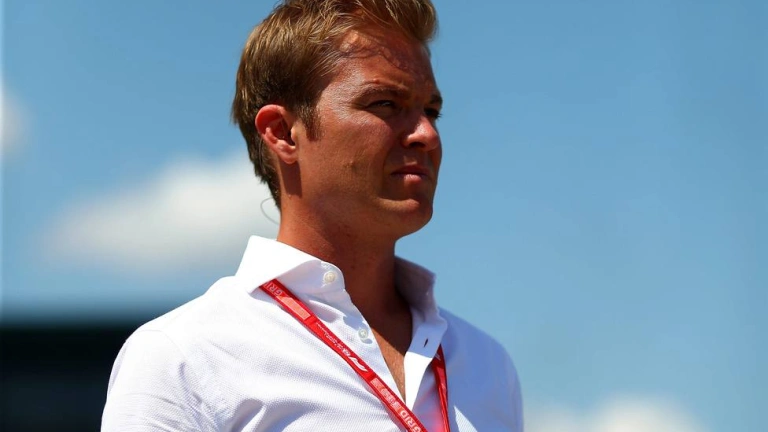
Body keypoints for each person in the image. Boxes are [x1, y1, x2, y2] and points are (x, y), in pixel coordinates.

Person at [101, 0, 523, 430]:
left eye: (431, 111)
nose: (427, 134)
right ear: (283, 133)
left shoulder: (487, 366)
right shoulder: (184, 357)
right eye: (385, 104)